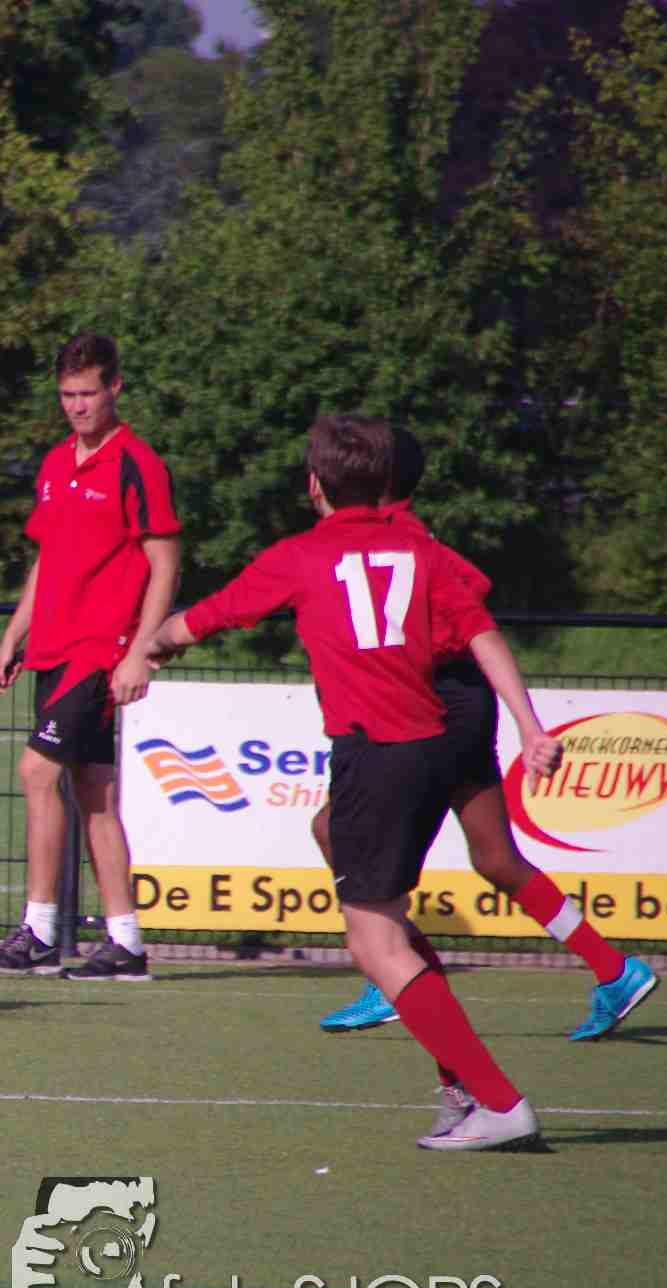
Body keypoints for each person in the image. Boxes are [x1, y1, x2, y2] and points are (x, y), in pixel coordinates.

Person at [138, 415, 562, 1151]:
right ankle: (464, 1091)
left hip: (377, 758)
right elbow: (484, 633)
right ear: (384, 484)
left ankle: (498, 1101)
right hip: (433, 748)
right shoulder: (422, 550)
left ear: (315, 485)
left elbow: (206, 617)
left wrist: (150, 645)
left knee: (374, 943)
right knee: (387, 924)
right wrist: (531, 726)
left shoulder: (302, 556)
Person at [312, 427, 658, 1041]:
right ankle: (614, 969)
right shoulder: (397, 536)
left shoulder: (397, 539)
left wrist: (528, 724)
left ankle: (395, 970)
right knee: (496, 857)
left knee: (339, 833)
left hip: (429, 705)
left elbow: (473, 612)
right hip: (460, 700)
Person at [0, 333, 181, 982]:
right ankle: (126, 944)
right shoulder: (53, 464)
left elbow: (165, 562)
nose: (77, 406)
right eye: (67, 395)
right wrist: (13, 636)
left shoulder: (138, 465)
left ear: (114, 387)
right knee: (95, 792)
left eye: (88, 393)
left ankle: (38, 933)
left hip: (99, 651)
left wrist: (140, 652)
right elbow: (48, 560)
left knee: (35, 773)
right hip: (52, 649)